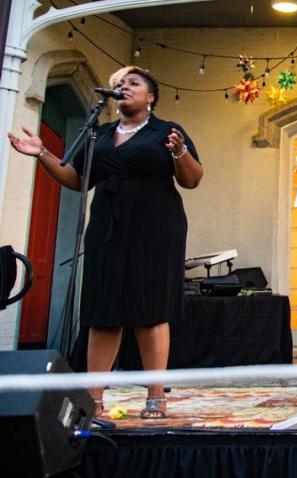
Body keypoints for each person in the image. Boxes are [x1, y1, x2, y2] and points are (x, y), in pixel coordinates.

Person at [8, 66, 203, 419]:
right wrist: (42, 154)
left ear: (151, 96)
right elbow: (76, 177)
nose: (123, 87)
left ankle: (156, 395)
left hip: (156, 231)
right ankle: (94, 398)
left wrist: (179, 153)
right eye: (118, 84)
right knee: (102, 312)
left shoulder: (167, 132)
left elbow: (191, 180)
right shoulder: (100, 133)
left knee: (150, 310)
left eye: (133, 83)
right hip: (106, 230)